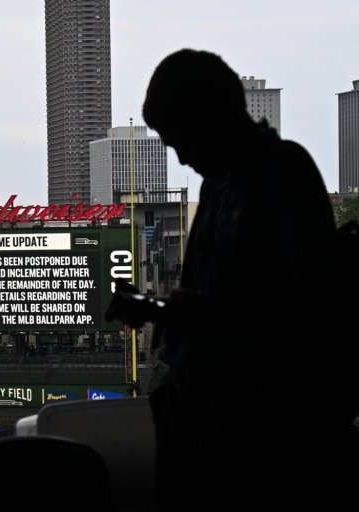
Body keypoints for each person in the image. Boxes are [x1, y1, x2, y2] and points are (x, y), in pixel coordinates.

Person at [105, 49, 353, 511]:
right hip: (202, 415)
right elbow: (207, 303)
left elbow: (319, 306)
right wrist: (158, 310)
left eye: (181, 139)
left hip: (266, 429)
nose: (179, 156)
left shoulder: (285, 171)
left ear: (210, 119)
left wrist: (202, 313)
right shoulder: (216, 186)